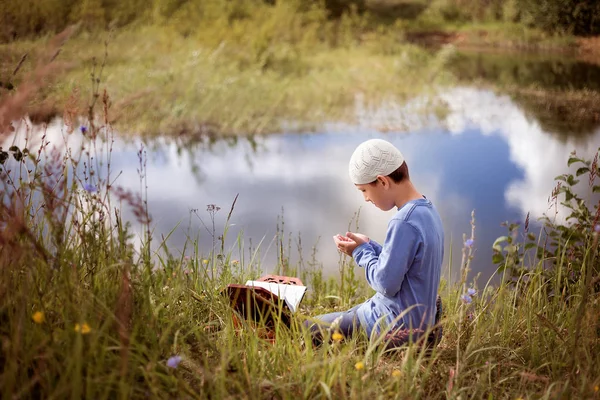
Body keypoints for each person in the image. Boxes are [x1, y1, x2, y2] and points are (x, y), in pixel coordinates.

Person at [304, 138, 444, 347]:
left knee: (310, 327)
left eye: (364, 190)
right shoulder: (426, 210)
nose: (366, 199)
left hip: (397, 326)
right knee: (351, 313)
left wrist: (360, 252)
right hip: (421, 319)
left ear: (383, 181)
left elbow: (386, 283)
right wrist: (370, 244)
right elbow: (407, 260)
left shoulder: (402, 221)